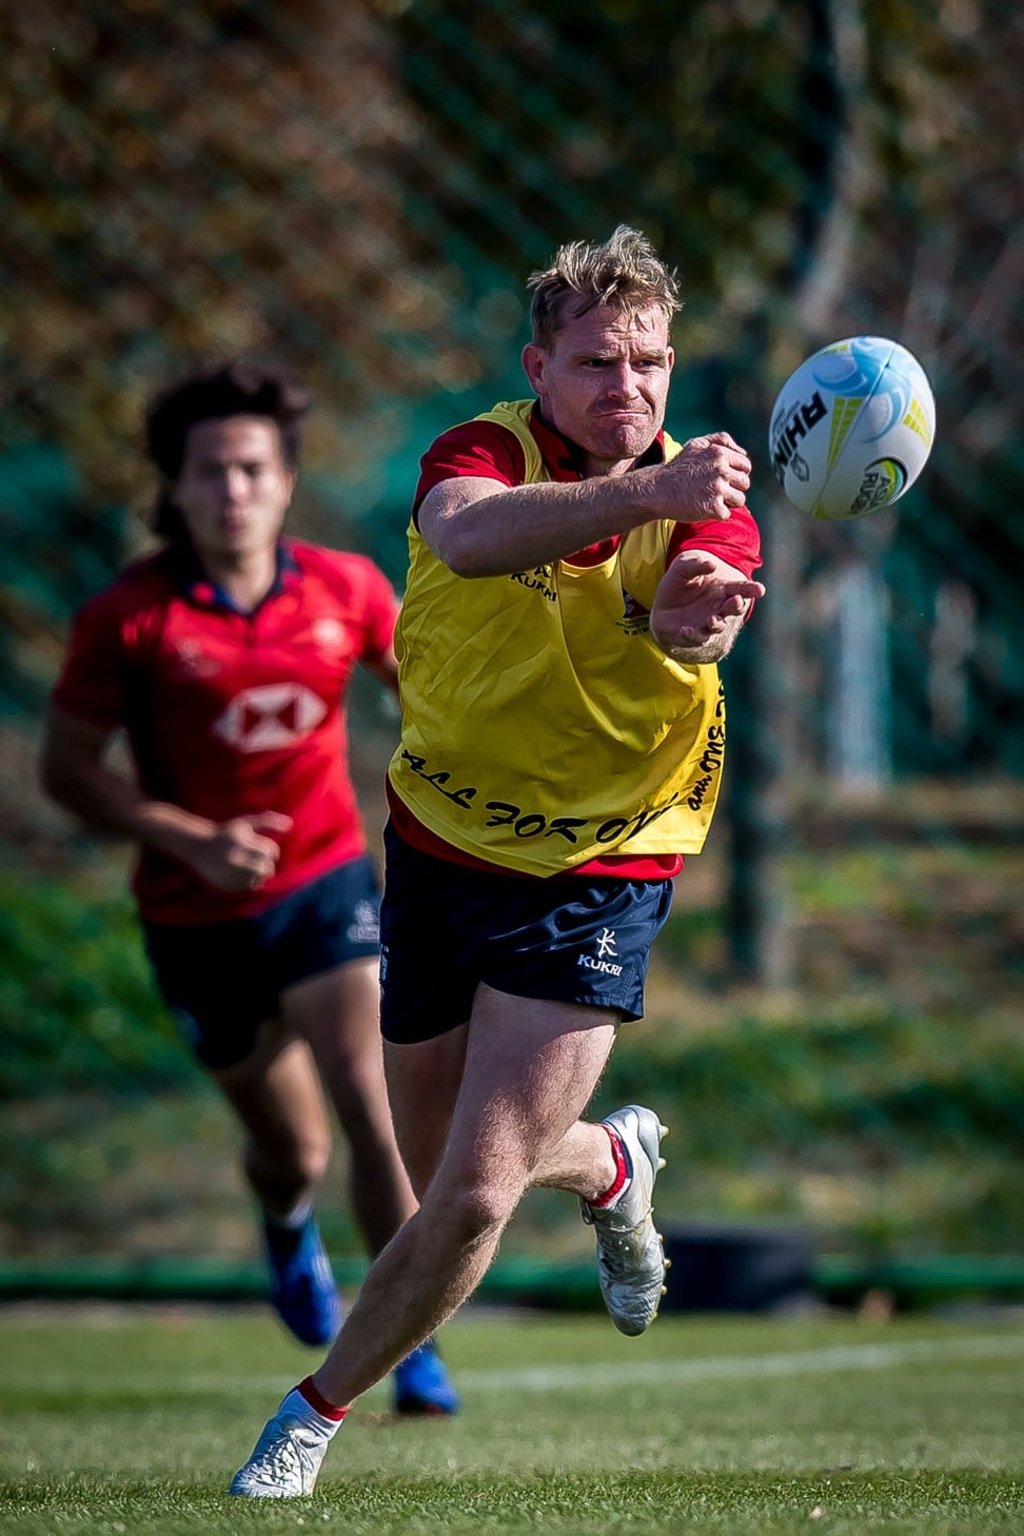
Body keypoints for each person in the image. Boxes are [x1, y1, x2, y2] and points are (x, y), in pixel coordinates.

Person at [230, 226, 766, 1497]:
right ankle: (616, 1162)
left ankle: (306, 1424)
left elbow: (702, 600)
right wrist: (646, 496)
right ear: (538, 367)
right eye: (593, 363)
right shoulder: (481, 453)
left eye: (645, 363)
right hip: (440, 838)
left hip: (605, 858)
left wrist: (697, 611)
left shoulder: (708, 496)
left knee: (469, 1197)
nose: (624, 390)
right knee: (451, 1171)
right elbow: (468, 538)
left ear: (672, 366)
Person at [39, 360, 458, 1416]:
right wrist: (189, 838)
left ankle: (405, 1340)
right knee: (292, 1147)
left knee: (370, 1105)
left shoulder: (346, 588)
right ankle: (284, 1227)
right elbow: (68, 771)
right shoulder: (128, 619)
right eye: (211, 472)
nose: (233, 491)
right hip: (196, 918)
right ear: (174, 489)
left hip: (323, 884)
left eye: (253, 469)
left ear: (285, 480)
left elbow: (439, 691)